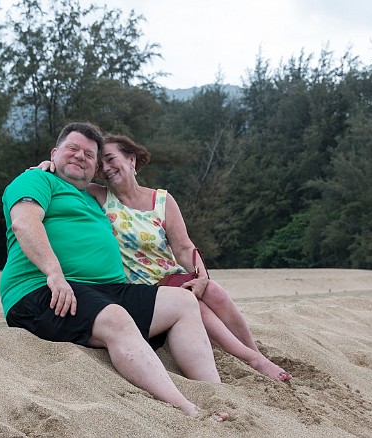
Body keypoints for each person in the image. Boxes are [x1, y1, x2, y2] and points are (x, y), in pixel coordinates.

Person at [0, 122, 227, 420]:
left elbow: (156, 231)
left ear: (95, 168)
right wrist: (54, 273)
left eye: (89, 154)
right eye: (72, 149)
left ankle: (216, 392)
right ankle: (185, 407)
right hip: (42, 289)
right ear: (55, 154)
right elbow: (25, 223)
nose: (80, 156)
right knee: (115, 316)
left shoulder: (94, 198)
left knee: (183, 302)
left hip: (106, 290)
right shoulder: (36, 181)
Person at [36, 134, 292, 382]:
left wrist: (201, 277)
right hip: (140, 288)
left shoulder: (161, 199)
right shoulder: (98, 196)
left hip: (171, 276)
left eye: (111, 159)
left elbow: (183, 248)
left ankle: (256, 353)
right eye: (101, 164)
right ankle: (252, 359)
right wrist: (47, 165)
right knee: (194, 304)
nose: (106, 167)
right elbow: (66, 177)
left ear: (131, 161)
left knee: (213, 290)